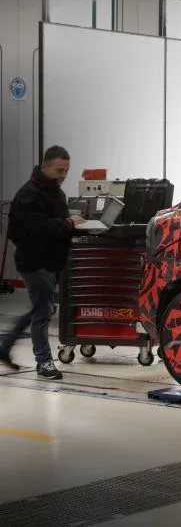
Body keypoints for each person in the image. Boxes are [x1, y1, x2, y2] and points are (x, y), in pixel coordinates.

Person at [0, 146, 84, 378]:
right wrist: (68, 223)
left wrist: (74, 225)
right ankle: (44, 361)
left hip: (50, 260)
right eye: (59, 170)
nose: (63, 175)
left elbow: (56, 222)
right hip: (35, 261)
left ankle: (4, 347)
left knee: (41, 308)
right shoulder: (29, 195)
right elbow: (36, 230)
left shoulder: (54, 191)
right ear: (45, 165)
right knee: (42, 311)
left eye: (66, 170)